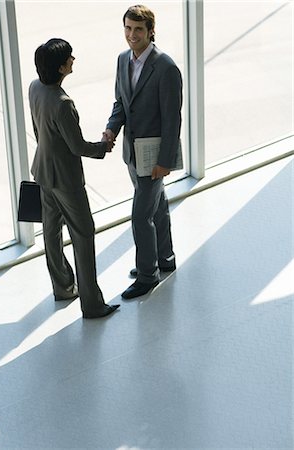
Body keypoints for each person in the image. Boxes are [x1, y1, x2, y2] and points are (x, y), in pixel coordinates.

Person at [29, 38, 119, 318]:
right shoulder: (62, 103)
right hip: (66, 180)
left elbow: (37, 129)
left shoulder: (35, 88)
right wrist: (103, 147)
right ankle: (92, 304)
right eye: (69, 58)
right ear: (59, 68)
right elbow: (77, 147)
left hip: (43, 171)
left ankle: (63, 287)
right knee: (83, 234)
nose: (73, 60)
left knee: (51, 233)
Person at [104, 5, 182, 299]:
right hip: (132, 153)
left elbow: (173, 119)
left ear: (151, 31)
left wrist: (165, 161)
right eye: (127, 28)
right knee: (157, 209)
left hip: (154, 158)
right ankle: (165, 259)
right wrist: (112, 129)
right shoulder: (123, 60)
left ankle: (148, 276)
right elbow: (121, 103)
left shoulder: (166, 67)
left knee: (140, 217)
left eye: (138, 29)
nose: (131, 35)